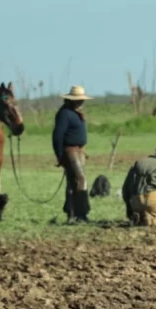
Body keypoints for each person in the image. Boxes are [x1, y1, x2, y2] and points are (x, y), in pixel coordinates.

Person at [52, 85, 92, 223]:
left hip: (79, 151)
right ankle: (81, 214)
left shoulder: (76, 113)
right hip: (70, 151)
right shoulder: (64, 114)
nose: (81, 102)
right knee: (81, 180)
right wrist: (60, 155)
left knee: (73, 183)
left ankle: (71, 212)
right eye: (79, 99)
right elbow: (57, 136)